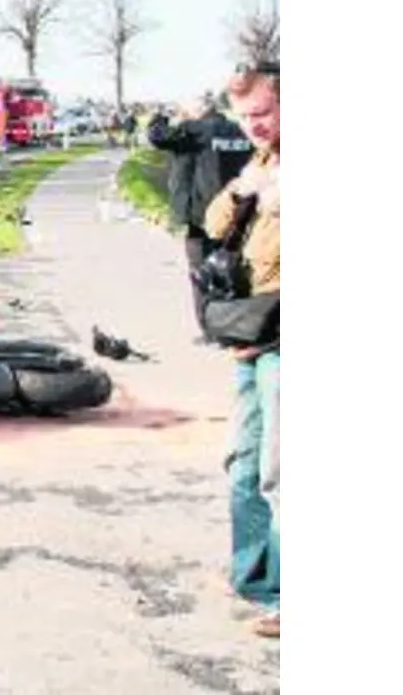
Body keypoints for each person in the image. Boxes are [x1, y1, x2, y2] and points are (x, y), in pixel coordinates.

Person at [202, 59, 280, 639]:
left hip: (284, 337)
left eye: (265, 112)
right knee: (245, 465)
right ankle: (255, 577)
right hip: (254, 336)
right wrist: (242, 188)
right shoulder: (262, 163)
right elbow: (213, 222)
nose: (255, 124)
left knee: (284, 472)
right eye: (246, 116)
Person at [147, 90, 254, 342]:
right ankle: (237, 327)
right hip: (237, 213)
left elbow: (157, 136)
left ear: (195, 111)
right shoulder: (239, 130)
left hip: (199, 216)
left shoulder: (194, 130)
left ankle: (210, 330)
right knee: (233, 271)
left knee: (202, 273)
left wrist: (160, 116)